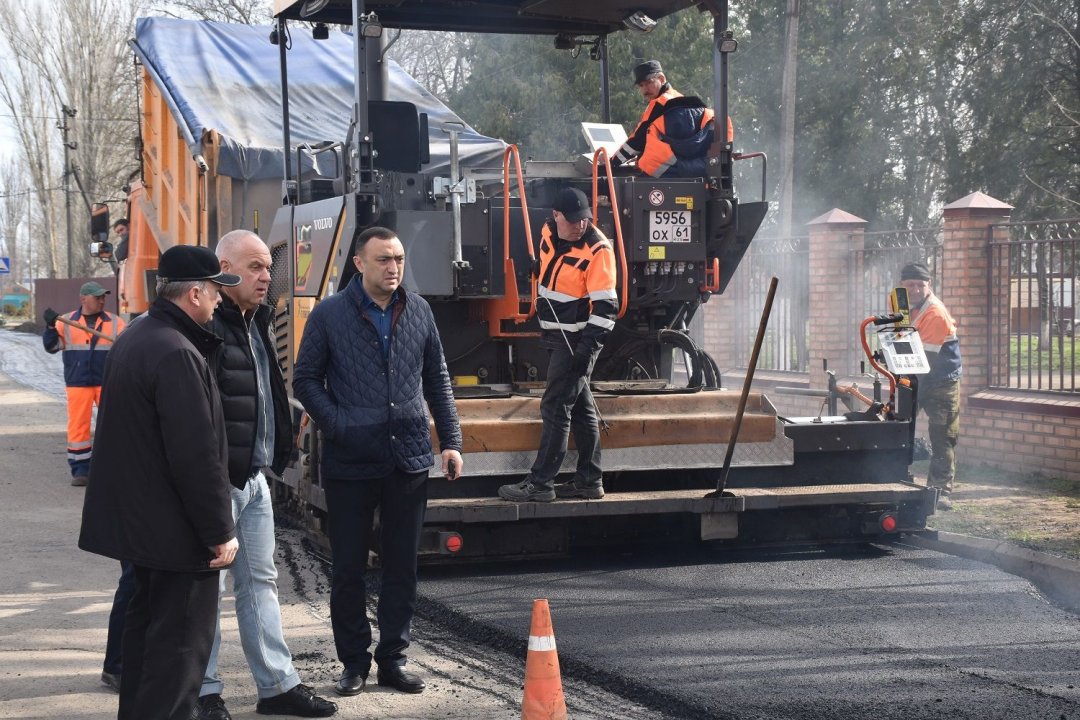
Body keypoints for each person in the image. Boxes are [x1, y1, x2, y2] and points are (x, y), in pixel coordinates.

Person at [293, 226, 463, 698]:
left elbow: (439, 380)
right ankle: (353, 663)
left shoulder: (419, 310)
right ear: (359, 264)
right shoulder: (330, 315)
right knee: (348, 568)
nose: (394, 268)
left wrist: (451, 441)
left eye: (399, 259)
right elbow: (305, 380)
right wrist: (339, 424)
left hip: (407, 457)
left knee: (401, 567)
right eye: (384, 259)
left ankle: (393, 658)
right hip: (351, 461)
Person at [78, 244, 242, 720]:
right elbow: (194, 455)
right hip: (177, 538)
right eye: (215, 292)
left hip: (146, 531)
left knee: (147, 647)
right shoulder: (176, 353)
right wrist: (219, 530)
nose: (218, 302)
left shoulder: (139, 336)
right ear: (194, 293)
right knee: (177, 659)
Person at [194, 230, 336, 720]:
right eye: (254, 267)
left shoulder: (256, 320)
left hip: (253, 478)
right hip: (217, 481)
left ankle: (276, 686)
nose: (266, 276)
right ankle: (204, 691)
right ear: (223, 268)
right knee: (205, 589)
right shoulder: (206, 326)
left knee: (261, 582)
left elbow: (261, 387)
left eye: (266, 267)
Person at [497, 187, 617, 503]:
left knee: (554, 406)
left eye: (585, 219)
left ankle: (540, 484)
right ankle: (590, 481)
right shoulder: (548, 232)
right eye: (574, 220)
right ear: (556, 216)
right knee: (579, 406)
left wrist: (586, 351)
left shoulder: (598, 250)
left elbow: (606, 308)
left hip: (576, 342)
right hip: (555, 335)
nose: (581, 225)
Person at [42, 281, 126, 486]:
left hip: (107, 382)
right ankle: (81, 471)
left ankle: (114, 469)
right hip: (78, 383)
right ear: (83, 299)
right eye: (97, 297)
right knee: (79, 428)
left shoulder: (115, 323)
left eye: (103, 296)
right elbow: (52, 346)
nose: (102, 300)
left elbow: (127, 350)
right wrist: (50, 326)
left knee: (113, 426)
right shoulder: (66, 322)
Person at [899, 261, 962, 510]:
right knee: (898, 430)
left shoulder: (935, 313)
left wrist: (903, 386)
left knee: (942, 437)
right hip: (914, 377)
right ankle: (896, 477)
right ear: (902, 286)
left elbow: (923, 361)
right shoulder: (900, 304)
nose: (915, 289)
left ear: (929, 285)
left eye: (920, 285)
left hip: (940, 382)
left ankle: (941, 491)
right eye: (910, 284)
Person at [612, 60, 733, 178]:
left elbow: (637, 141)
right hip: (695, 170)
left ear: (661, 78)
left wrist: (612, 162)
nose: (644, 90)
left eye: (648, 82)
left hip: (665, 170)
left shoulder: (659, 103)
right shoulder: (680, 99)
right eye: (641, 85)